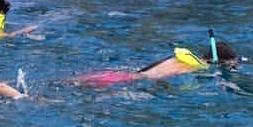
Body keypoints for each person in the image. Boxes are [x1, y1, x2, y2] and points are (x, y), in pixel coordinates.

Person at [77, 35, 238, 87]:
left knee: (79, 81)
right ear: (219, 61)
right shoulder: (195, 67)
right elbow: (167, 77)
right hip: (136, 80)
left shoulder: (189, 57)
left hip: (132, 73)